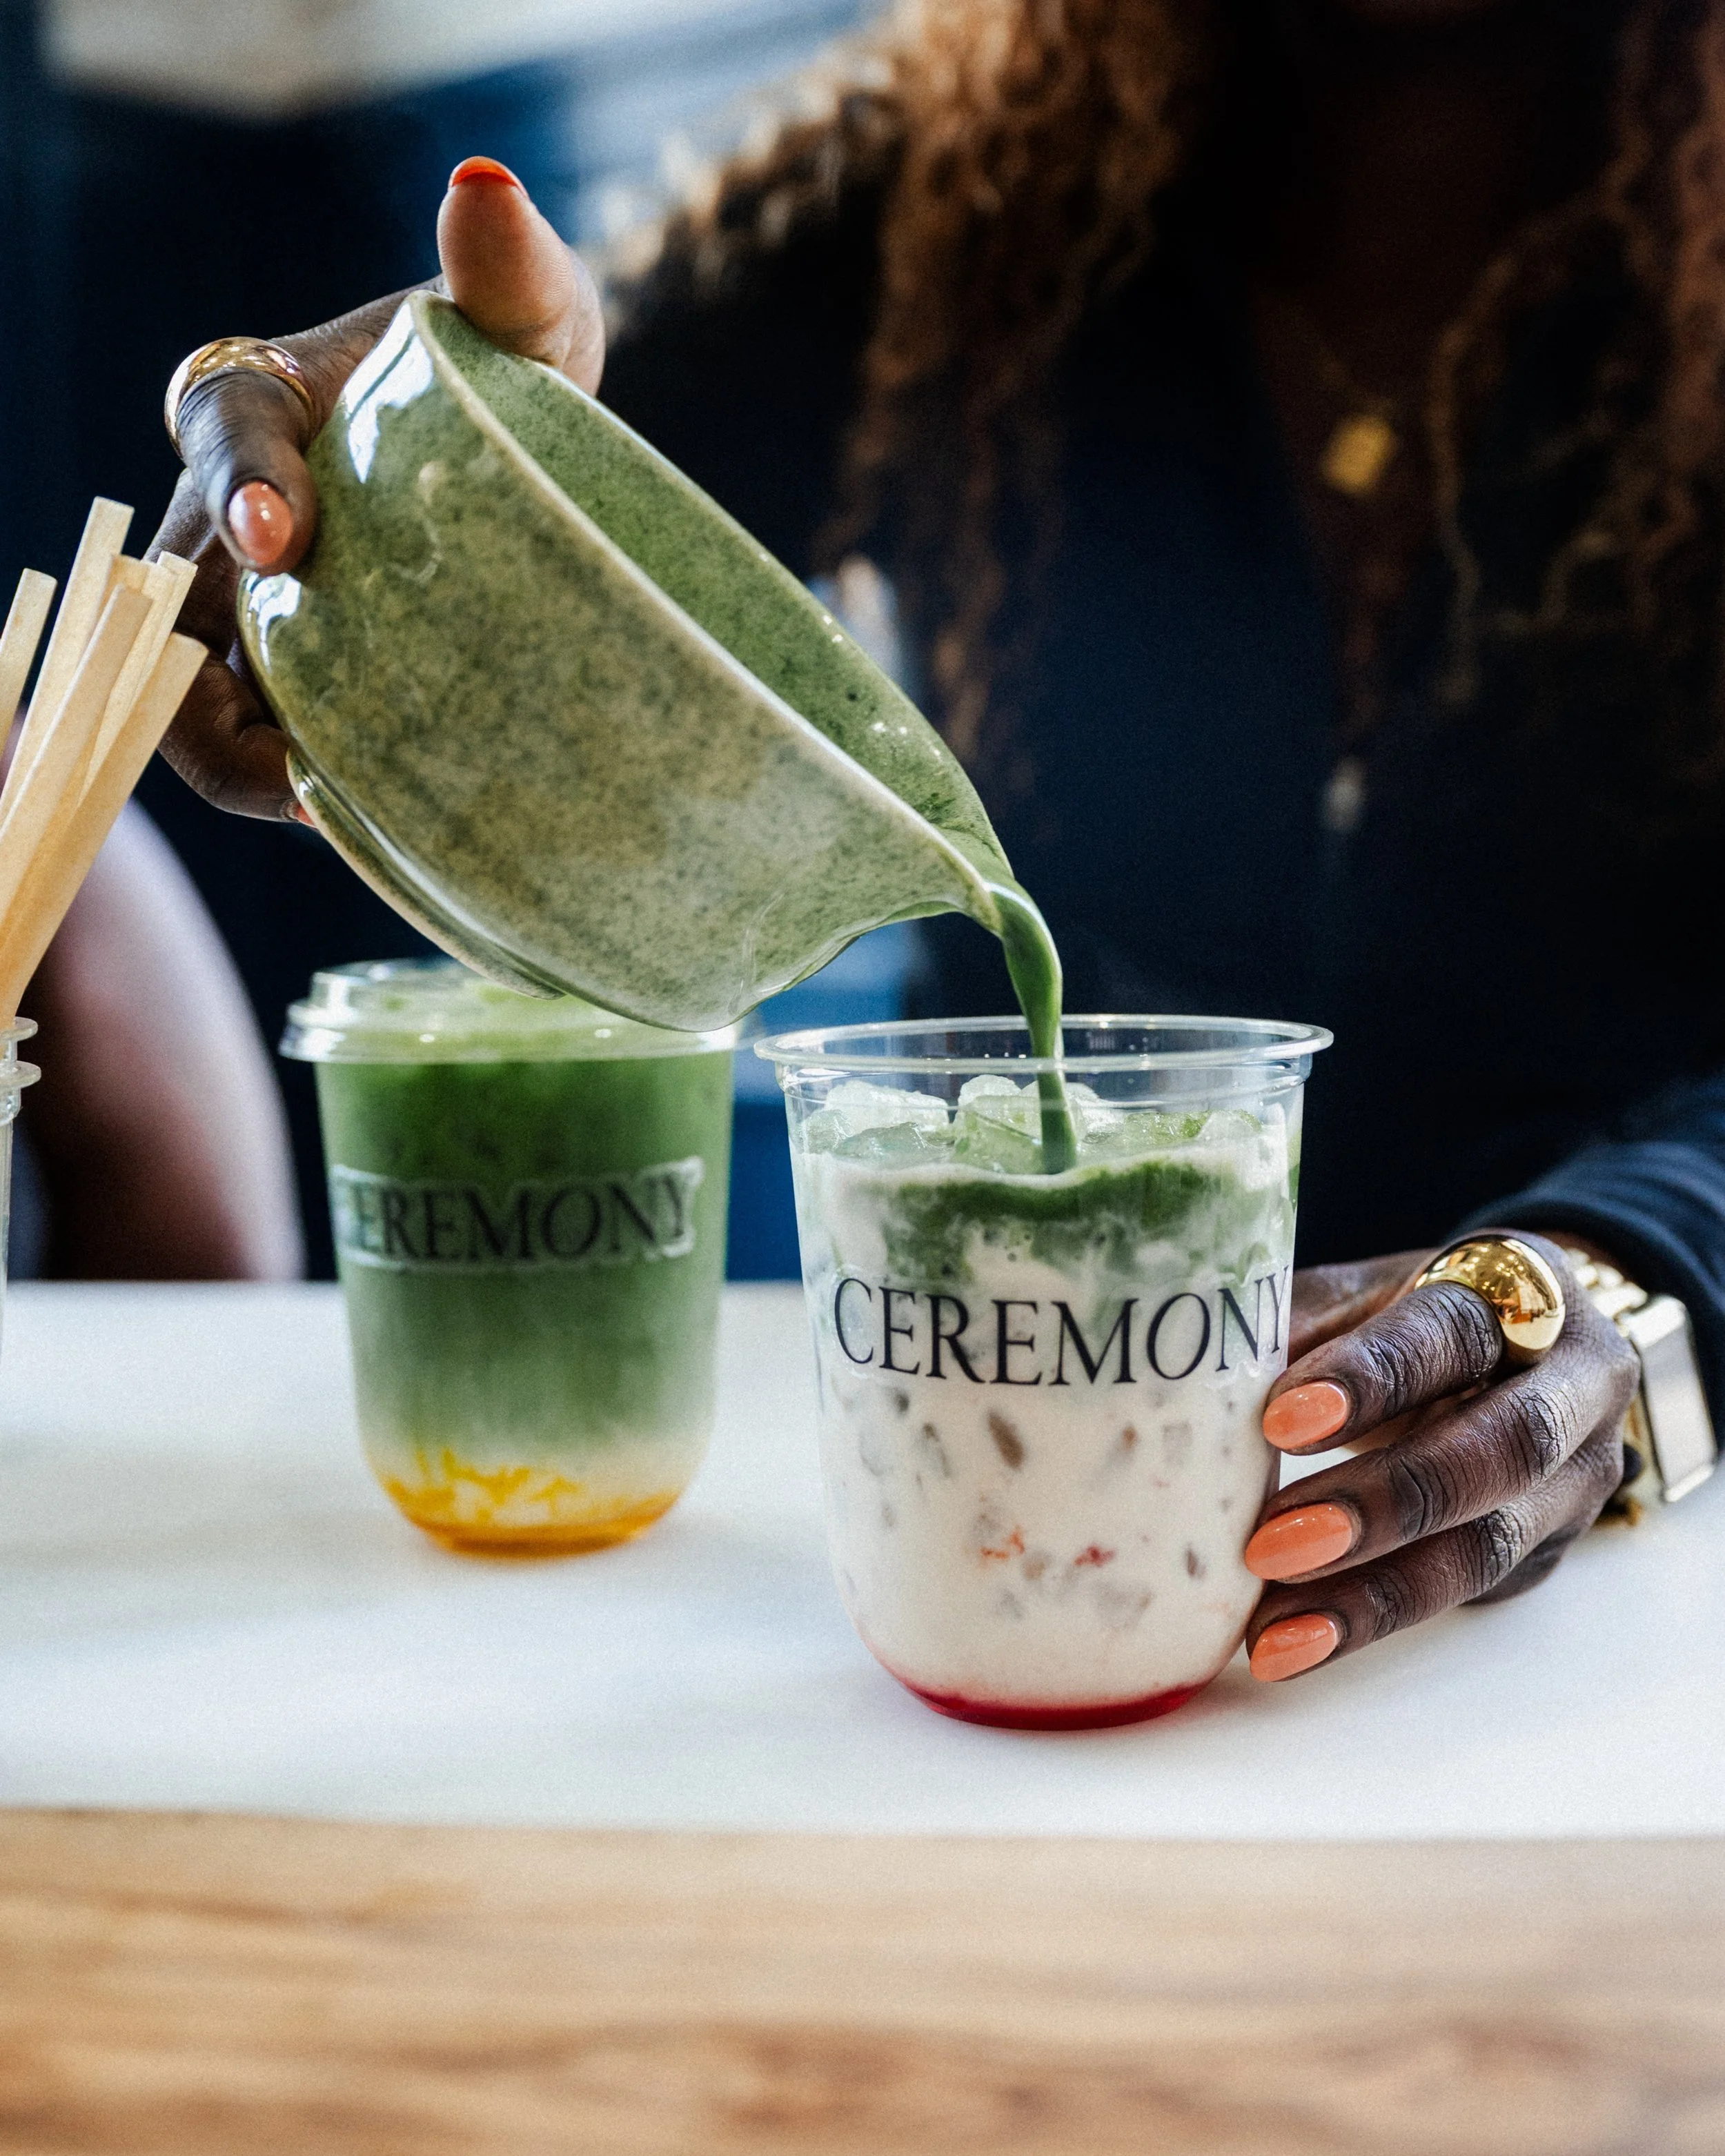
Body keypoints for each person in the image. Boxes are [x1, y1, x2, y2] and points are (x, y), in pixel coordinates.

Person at [149, 0, 1725, 1686]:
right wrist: (381, 463)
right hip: (1013, 1506)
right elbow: (582, 482)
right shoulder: (941, 195)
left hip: (1637, 1565)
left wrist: (1632, 1280)